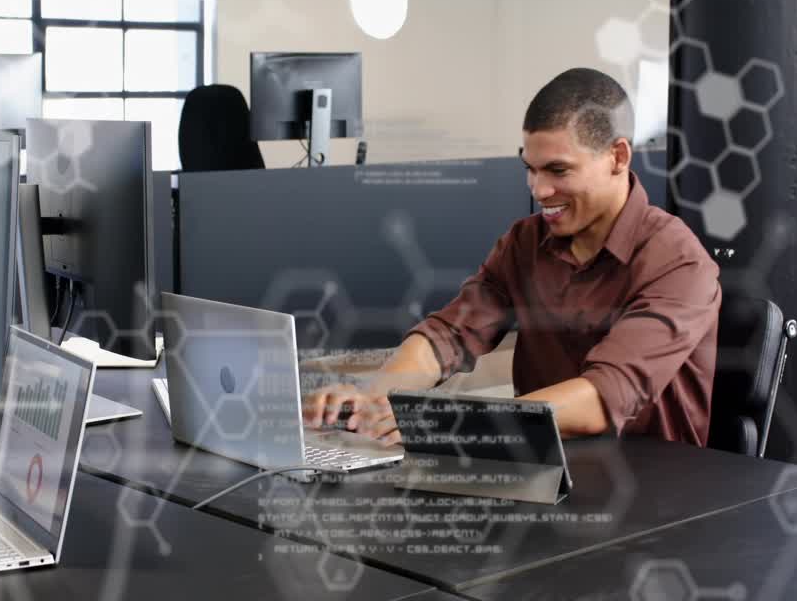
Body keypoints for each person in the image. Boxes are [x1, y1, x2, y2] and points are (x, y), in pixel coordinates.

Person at [303, 67, 721, 447]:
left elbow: (604, 395)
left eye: (558, 171)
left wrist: (446, 422)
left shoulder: (679, 263)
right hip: (540, 472)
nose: (538, 191)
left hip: (653, 493)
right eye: (531, 169)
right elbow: (449, 334)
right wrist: (378, 397)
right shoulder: (525, 242)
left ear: (618, 157)